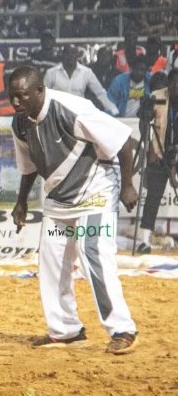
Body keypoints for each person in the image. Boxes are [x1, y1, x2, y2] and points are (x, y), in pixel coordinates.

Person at [9, 65, 139, 355]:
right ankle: (65, 329)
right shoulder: (19, 123)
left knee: (92, 250)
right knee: (52, 260)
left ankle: (123, 329)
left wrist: (128, 185)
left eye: (22, 96)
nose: (16, 102)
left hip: (95, 192)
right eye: (12, 97)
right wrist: (20, 202)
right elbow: (29, 167)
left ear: (40, 91)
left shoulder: (72, 109)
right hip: (57, 199)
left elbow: (124, 140)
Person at [139, 70, 178, 254]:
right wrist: (145, 118)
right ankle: (144, 241)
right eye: (174, 82)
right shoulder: (156, 96)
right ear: (168, 83)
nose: (177, 86)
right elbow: (143, 122)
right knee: (153, 198)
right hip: (159, 152)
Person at [44, 44, 119, 116]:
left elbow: (100, 93)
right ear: (63, 55)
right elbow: (43, 95)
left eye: (73, 53)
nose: (70, 56)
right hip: (57, 116)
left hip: (79, 115)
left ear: (77, 55)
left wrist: (113, 110)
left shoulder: (86, 72)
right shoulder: (51, 73)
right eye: (67, 53)